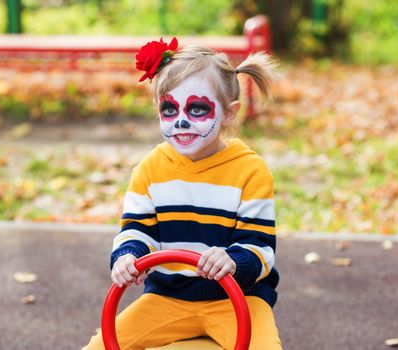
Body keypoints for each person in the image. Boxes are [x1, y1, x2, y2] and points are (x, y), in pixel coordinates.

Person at [83, 37, 282, 350]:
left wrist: (231, 259)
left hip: (237, 299)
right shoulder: (151, 169)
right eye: (169, 109)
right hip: (168, 297)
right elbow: (137, 229)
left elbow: (261, 248)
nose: (182, 121)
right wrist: (128, 255)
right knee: (101, 346)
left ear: (229, 114)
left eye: (198, 108)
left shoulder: (250, 171)